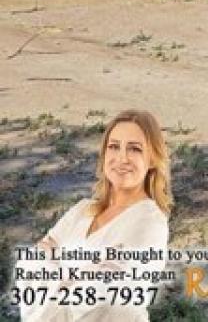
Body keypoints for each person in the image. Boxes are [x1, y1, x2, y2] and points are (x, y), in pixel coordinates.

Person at [20, 110, 172, 322]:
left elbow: (107, 295)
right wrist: (80, 275)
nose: (122, 158)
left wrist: (56, 272)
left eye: (135, 149)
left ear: (153, 158)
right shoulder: (82, 209)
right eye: (114, 146)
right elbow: (32, 262)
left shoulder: (150, 222)